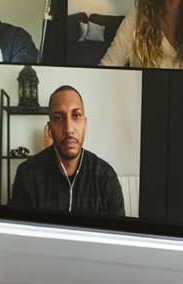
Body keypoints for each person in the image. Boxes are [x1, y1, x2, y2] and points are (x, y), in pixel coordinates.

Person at [8, 86, 125, 216]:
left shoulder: (106, 177)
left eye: (76, 115)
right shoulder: (28, 175)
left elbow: (119, 234)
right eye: (58, 118)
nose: (69, 129)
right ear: (50, 129)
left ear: (85, 124)